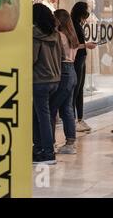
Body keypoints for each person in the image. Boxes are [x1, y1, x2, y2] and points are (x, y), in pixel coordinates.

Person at [32, 3, 64, 165]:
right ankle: (39, 150)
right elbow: (62, 56)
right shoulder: (56, 34)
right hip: (54, 80)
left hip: (39, 80)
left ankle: (48, 153)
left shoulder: (35, 35)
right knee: (40, 115)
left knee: (42, 117)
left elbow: (32, 58)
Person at [50, 9, 79, 154]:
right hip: (72, 70)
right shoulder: (72, 36)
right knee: (67, 109)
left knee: (51, 108)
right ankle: (70, 142)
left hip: (63, 71)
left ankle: (50, 143)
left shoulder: (58, 36)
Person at [71, 2, 97, 133]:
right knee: (75, 90)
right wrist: (86, 45)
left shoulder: (78, 25)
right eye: (85, 14)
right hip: (76, 59)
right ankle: (74, 120)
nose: (86, 17)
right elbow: (72, 45)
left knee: (79, 89)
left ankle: (79, 118)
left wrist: (86, 45)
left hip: (81, 59)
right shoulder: (74, 26)